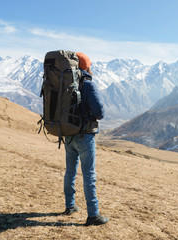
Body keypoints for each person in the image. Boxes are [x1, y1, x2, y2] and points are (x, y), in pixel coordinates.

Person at [62, 52, 108, 226]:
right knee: (89, 174)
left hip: (68, 133)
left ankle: (70, 206)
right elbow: (100, 112)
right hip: (84, 135)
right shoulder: (88, 84)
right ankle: (93, 215)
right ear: (86, 66)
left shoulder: (66, 82)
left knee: (70, 171)